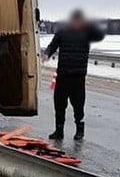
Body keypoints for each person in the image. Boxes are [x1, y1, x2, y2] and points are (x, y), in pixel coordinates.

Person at [43, 9, 105, 140]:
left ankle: (80, 131)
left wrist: (90, 25)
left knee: (78, 106)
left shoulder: (87, 32)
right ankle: (59, 131)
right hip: (63, 74)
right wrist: (47, 53)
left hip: (78, 75)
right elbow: (53, 45)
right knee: (59, 105)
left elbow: (100, 35)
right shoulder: (63, 31)